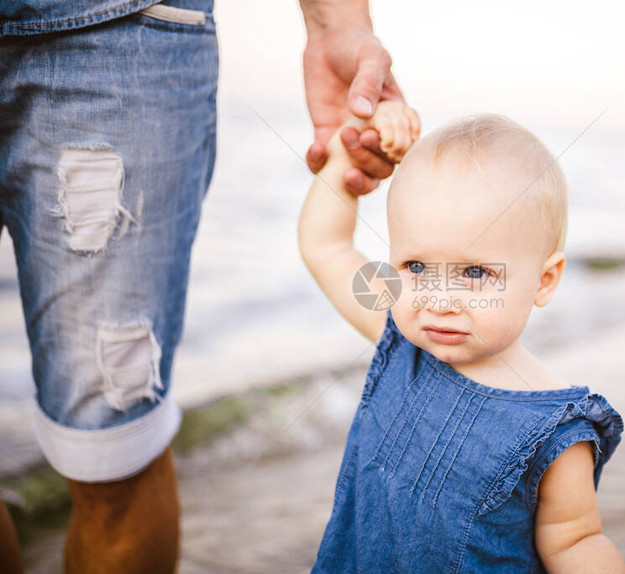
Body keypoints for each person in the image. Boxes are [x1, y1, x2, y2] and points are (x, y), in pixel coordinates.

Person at [0, 0, 403, 571]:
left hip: (122, 32)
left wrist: (336, 22)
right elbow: (330, 248)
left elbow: (329, 247)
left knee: (114, 447)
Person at [298, 102, 625, 572]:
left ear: (545, 280)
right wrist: (347, 153)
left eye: (475, 272)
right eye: (416, 267)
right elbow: (326, 247)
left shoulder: (555, 429)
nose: (438, 298)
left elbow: (577, 542)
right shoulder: (399, 341)